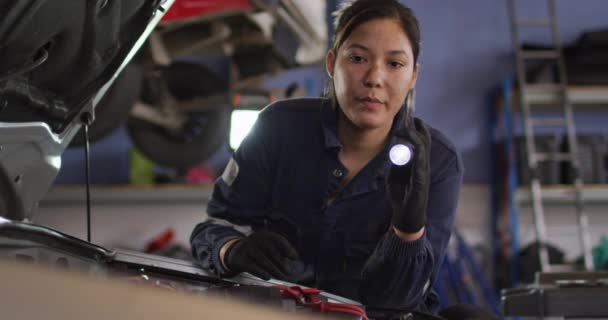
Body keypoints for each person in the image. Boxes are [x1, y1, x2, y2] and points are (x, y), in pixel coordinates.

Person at [191, 0, 469, 316]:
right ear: (331, 62)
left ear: (413, 75)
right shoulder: (277, 128)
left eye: (394, 64)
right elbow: (212, 228)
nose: (375, 78)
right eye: (358, 58)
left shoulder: (438, 162)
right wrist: (232, 250)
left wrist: (407, 231)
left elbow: (401, 301)